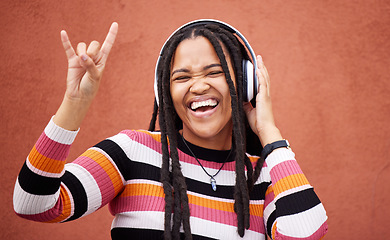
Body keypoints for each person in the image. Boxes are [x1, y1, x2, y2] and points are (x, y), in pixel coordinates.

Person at [13, 20, 328, 240]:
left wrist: (268, 130)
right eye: (182, 77)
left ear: (245, 86)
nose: (198, 85)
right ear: (165, 92)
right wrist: (74, 103)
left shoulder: (265, 176)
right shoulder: (133, 151)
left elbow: (305, 233)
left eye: (214, 72)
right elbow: (33, 204)